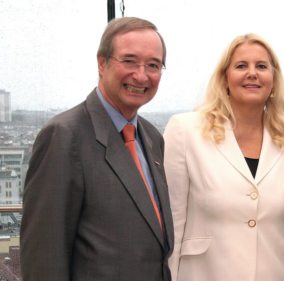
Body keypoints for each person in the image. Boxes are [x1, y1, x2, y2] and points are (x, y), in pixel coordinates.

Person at [20, 17, 174, 281]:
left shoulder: (151, 137)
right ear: (102, 63)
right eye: (129, 61)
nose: (141, 75)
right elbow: (43, 257)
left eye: (153, 65)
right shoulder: (64, 136)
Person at [163, 33, 284, 281]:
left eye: (262, 66)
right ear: (225, 78)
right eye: (241, 66)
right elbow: (172, 222)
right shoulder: (185, 130)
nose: (252, 73)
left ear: (274, 80)